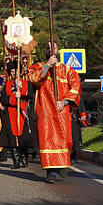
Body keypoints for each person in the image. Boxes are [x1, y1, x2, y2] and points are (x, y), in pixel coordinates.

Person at [28, 41, 80, 184]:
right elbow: (35, 80)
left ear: (58, 51)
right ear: (45, 51)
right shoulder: (38, 67)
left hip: (61, 109)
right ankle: (51, 171)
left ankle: (62, 163)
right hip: (45, 109)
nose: (51, 49)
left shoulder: (67, 70)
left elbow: (75, 86)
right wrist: (48, 65)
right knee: (48, 140)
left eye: (54, 48)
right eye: (48, 47)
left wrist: (64, 102)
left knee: (66, 139)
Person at [0, 63, 36, 169]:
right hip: (11, 113)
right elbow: (4, 99)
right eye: (12, 71)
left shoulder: (26, 83)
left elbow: (30, 95)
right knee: (12, 138)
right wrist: (14, 97)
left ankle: (24, 157)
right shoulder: (7, 85)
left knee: (24, 137)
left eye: (16, 71)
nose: (14, 73)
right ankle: (15, 161)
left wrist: (22, 91)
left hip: (23, 112)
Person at [70, 97, 88, 162]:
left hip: (73, 119)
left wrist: (83, 114)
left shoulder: (76, 94)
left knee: (75, 137)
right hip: (62, 118)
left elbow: (80, 103)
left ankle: (75, 154)